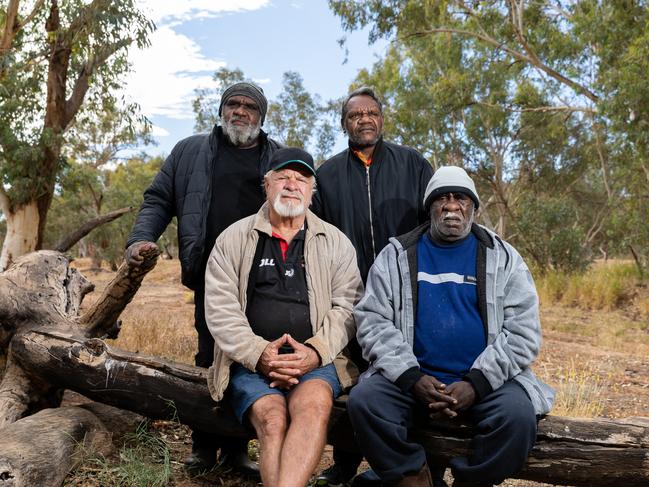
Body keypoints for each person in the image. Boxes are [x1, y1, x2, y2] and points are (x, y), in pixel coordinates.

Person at [347, 166, 555, 487]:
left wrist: (477, 383)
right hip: (414, 381)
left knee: (517, 418)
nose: (452, 205)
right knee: (365, 401)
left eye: (461, 198)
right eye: (442, 198)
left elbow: (523, 333)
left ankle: (471, 481)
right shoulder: (397, 255)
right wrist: (411, 377)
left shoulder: (503, 257)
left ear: (473, 207)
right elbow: (372, 321)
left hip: (486, 382)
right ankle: (414, 477)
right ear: (430, 206)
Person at [125, 82, 282, 473]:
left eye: (249, 107)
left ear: (260, 116)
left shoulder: (278, 158)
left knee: (251, 361)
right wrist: (142, 237)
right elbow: (159, 198)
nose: (240, 112)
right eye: (233, 104)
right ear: (222, 110)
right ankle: (202, 446)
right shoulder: (190, 151)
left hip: (264, 279)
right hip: (212, 276)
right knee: (208, 358)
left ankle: (236, 450)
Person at [203, 147, 363, 487]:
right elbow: (220, 308)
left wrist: (316, 351)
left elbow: (348, 306)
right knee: (273, 419)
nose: (292, 185)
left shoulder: (335, 242)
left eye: (301, 179)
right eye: (283, 177)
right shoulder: (234, 238)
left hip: (316, 361)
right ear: (267, 184)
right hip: (249, 362)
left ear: (312, 190)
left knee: (313, 408)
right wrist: (260, 354)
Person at [311, 87, 433, 485]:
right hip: (348, 295)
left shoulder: (414, 164)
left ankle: (420, 463)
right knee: (352, 380)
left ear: (382, 118)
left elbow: (432, 225)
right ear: (344, 123)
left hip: (408, 295)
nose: (364, 119)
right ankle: (345, 463)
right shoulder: (326, 176)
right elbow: (317, 238)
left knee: (408, 375)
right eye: (355, 115)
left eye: (372, 113)